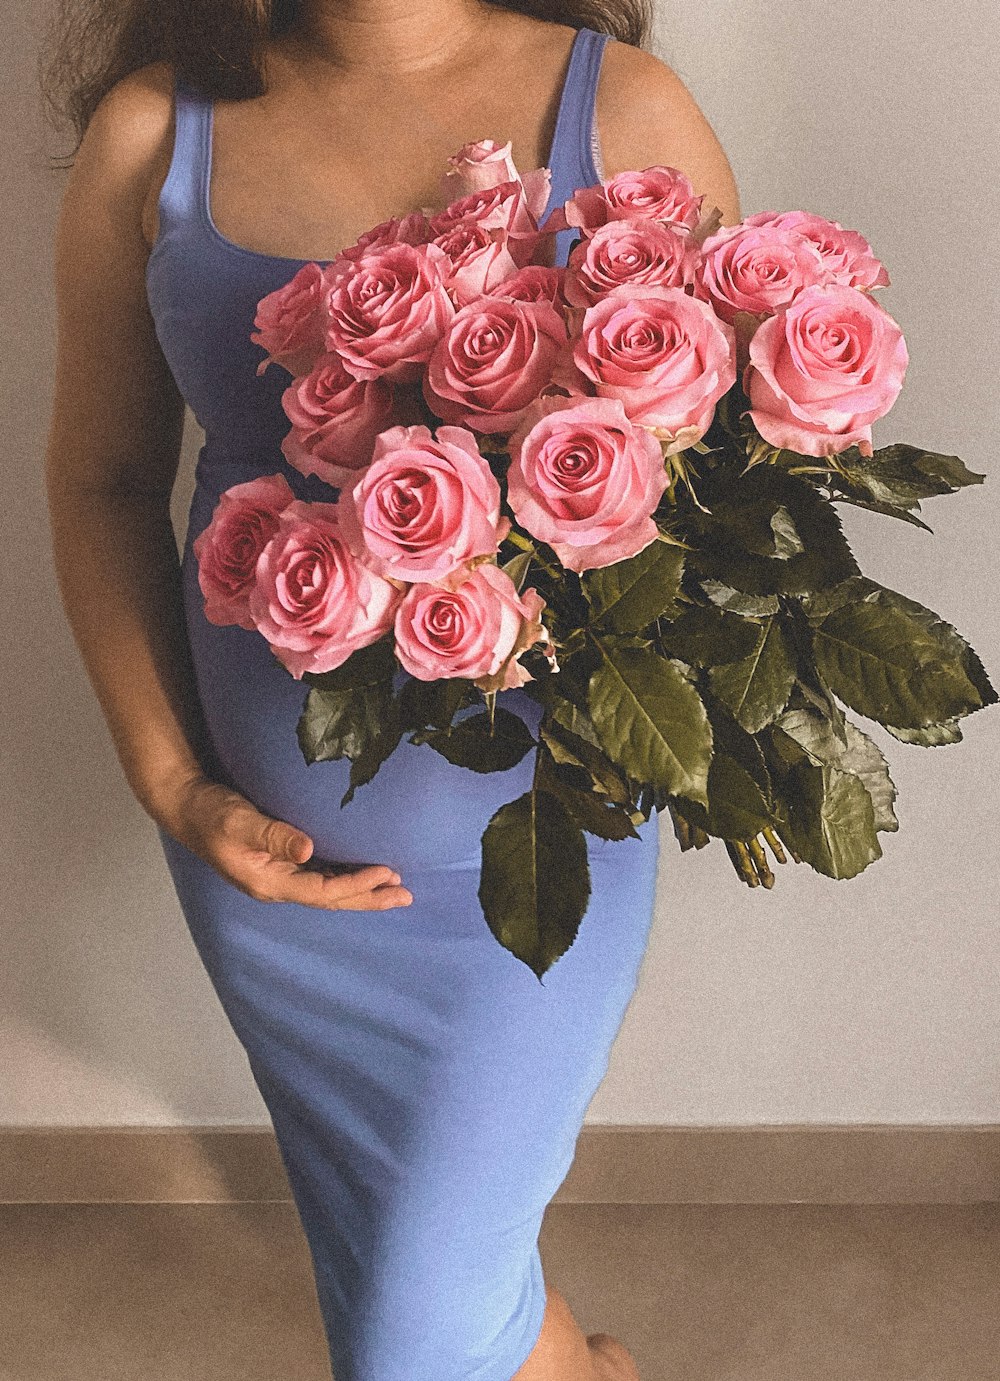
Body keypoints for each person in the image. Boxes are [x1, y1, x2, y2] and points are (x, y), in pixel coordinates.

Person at [41, 1, 740, 1376]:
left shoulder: (627, 110)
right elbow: (100, 480)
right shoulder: (151, 134)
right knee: (426, 1271)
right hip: (268, 872)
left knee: (407, 1329)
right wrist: (171, 779)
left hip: (537, 858)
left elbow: (730, 503)